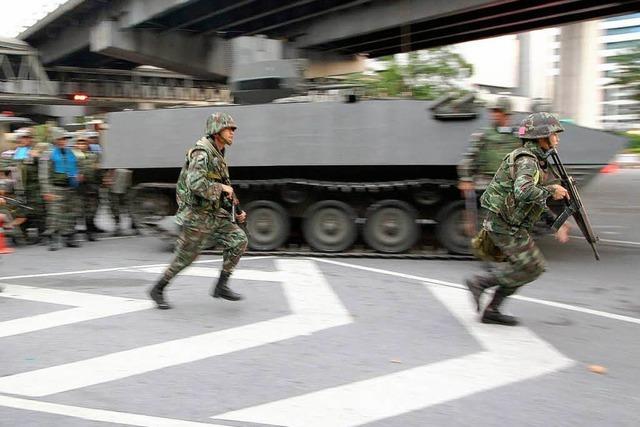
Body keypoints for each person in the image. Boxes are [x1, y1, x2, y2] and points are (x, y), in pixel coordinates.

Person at [464, 112, 571, 326]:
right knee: (531, 266)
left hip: (510, 223)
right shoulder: (527, 161)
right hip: (502, 224)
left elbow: (532, 202)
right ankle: (481, 284)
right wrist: (551, 190)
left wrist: (555, 222)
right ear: (541, 137)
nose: (557, 139)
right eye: (554, 135)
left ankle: (491, 308)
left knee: (531, 267)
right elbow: (524, 192)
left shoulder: (536, 161)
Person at [149, 112, 248, 309]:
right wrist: (222, 188)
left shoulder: (218, 154)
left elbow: (224, 187)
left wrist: (236, 210)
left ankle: (221, 285)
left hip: (214, 213)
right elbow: (195, 183)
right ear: (216, 130)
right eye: (229, 129)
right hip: (197, 215)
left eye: (233, 129)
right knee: (186, 258)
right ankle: (158, 289)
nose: (232, 133)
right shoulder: (201, 152)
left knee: (239, 240)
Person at [40, 128, 81, 251]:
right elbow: (43, 174)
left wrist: (78, 175)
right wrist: (46, 191)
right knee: (55, 214)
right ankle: (53, 238)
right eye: (61, 139)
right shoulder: (48, 154)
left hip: (70, 187)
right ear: (55, 140)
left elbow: (75, 167)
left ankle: (69, 237)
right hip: (55, 188)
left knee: (70, 213)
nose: (64, 141)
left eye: (65, 139)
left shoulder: (70, 153)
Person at [13, 128, 47, 241]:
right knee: (21, 210)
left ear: (31, 139)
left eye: (27, 137)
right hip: (19, 187)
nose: (24, 140)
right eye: (22, 137)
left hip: (34, 187)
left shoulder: (35, 151)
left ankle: (42, 234)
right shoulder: (15, 152)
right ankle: (24, 234)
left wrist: (38, 156)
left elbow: (45, 164)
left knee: (38, 210)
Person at [74, 132, 102, 241]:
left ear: (87, 144)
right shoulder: (73, 157)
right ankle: (76, 230)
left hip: (92, 187)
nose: (82, 145)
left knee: (92, 210)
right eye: (79, 143)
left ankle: (90, 230)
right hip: (78, 188)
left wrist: (101, 175)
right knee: (79, 210)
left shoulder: (94, 156)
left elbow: (99, 171)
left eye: (84, 143)